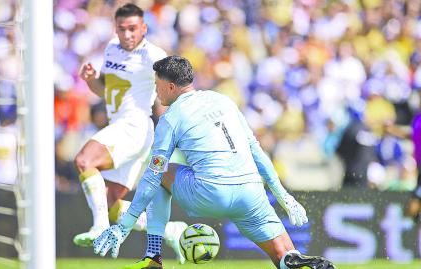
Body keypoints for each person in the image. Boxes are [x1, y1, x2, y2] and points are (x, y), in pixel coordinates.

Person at [92, 56, 336, 269]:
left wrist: (123, 227)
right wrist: (284, 197)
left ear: (170, 86)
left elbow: (153, 176)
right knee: (284, 254)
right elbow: (257, 152)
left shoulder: (170, 118)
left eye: (157, 86)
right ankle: (292, 261)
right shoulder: (224, 101)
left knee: (162, 172)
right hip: (251, 192)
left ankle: (153, 257)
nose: (156, 92)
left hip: (211, 192)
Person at [73, 4, 187, 262]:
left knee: (84, 161)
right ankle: (171, 230)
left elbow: (174, 87)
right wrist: (91, 79)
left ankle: (100, 227)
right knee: (112, 207)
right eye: (122, 29)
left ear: (144, 28)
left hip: (134, 126)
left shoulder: (153, 55)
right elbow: (105, 91)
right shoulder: (111, 48)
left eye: (133, 29)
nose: (127, 35)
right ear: (116, 29)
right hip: (121, 127)